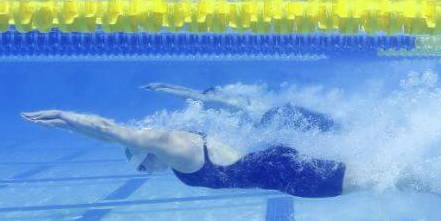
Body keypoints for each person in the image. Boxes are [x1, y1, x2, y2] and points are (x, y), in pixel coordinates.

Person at [20, 109, 346, 198]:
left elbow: (112, 131)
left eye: (141, 167)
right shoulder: (181, 149)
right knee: (378, 176)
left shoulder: (173, 147)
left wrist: (66, 118)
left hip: (286, 173)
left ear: (146, 154)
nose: (145, 173)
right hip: (280, 171)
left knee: (383, 180)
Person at [141, 82, 336, 132]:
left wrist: (163, 86)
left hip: (272, 117)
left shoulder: (223, 101)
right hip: (274, 115)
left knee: (321, 124)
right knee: (324, 124)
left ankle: (336, 126)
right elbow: (190, 93)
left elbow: (189, 92)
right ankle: (337, 125)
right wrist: (162, 87)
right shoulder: (215, 101)